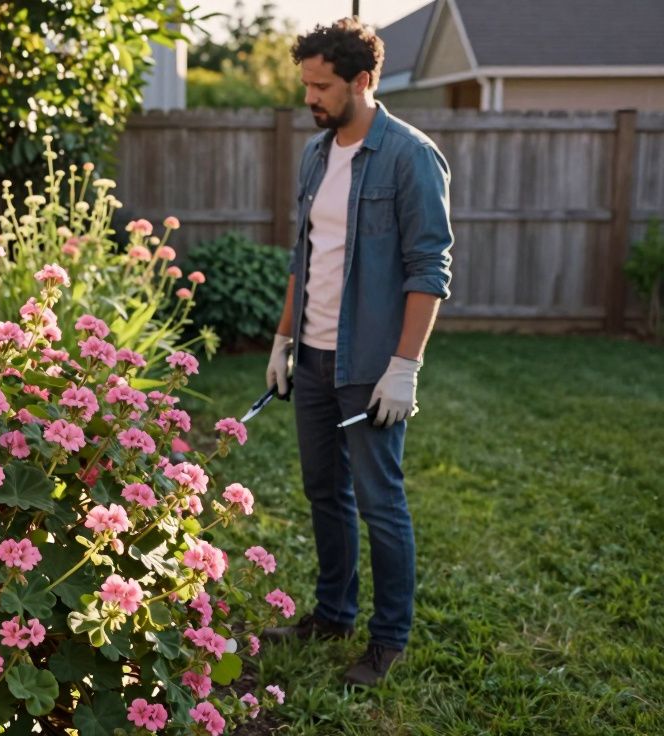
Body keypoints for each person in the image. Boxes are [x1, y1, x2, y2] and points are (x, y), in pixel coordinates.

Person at [262, 18, 453, 687]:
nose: (310, 97)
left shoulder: (409, 156)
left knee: (380, 502)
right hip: (312, 360)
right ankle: (334, 612)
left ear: (361, 81)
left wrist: (405, 367)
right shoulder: (317, 154)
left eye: (322, 86)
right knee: (324, 493)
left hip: (369, 365)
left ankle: (388, 640)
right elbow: (304, 254)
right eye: (306, 84)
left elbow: (428, 269)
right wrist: (284, 339)